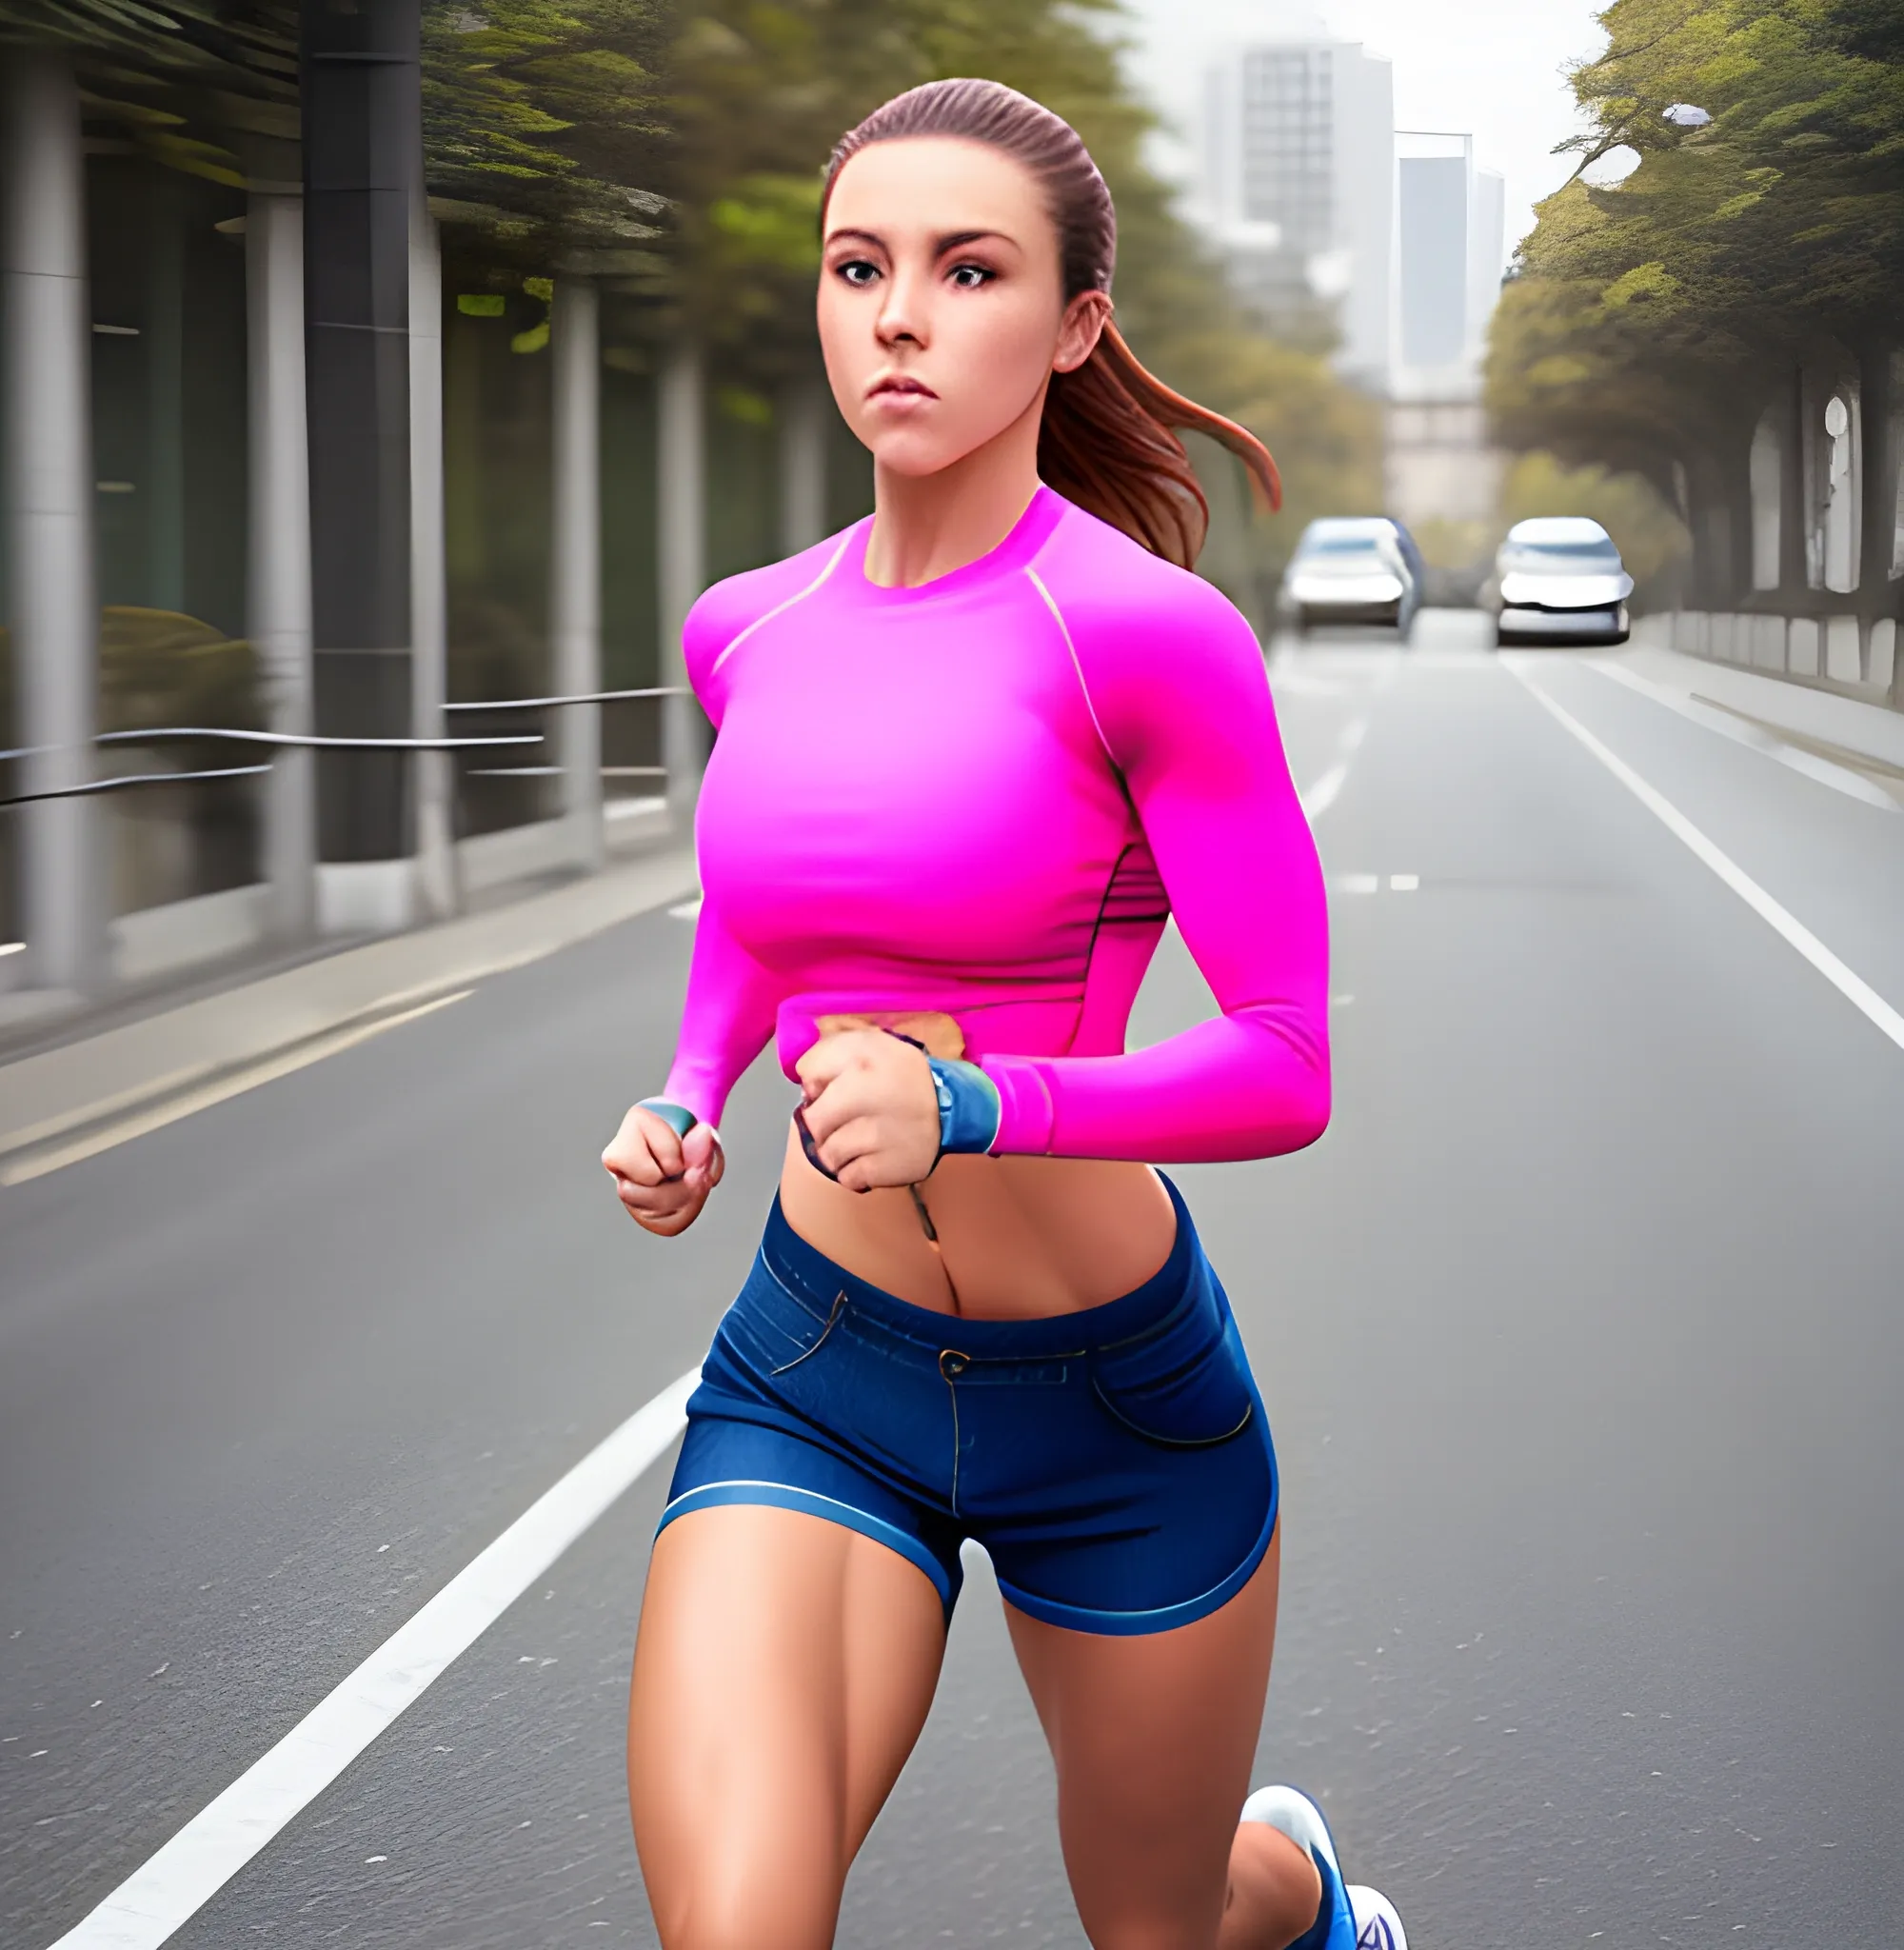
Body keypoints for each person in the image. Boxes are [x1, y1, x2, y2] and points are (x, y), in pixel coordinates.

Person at [603, 77, 1408, 1950]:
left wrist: (974, 1111)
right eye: (857, 266)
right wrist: (688, 1088)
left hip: (1115, 1404)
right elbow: (756, 901)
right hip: (821, 1373)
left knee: (1164, 1919)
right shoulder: (749, 629)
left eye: (967, 271)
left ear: (1072, 326)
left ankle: (1305, 1906)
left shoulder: (1142, 635)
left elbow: (1284, 1062)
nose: (897, 313)